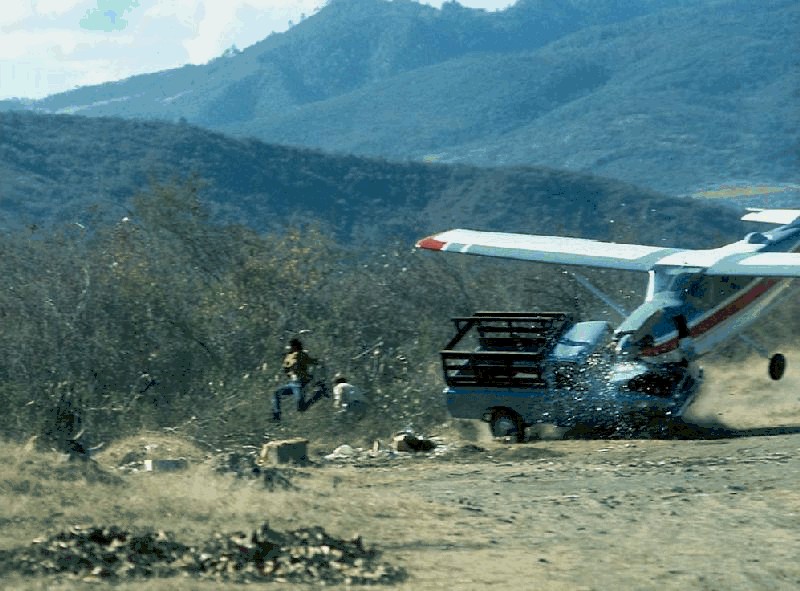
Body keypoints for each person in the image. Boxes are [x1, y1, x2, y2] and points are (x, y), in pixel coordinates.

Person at [272, 338, 318, 421]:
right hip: (292, 383)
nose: (290, 348)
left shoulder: (301, 354)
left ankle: (318, 395)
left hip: (300, 383)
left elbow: (310, 361)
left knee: (301, 408)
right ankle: (276, 416)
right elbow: (286, 367)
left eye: (292, 346)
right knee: (276, 393)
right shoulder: (289, 356)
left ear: (295, 346)